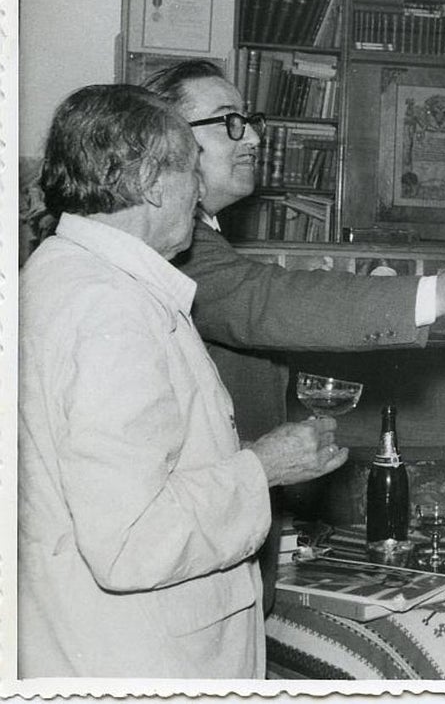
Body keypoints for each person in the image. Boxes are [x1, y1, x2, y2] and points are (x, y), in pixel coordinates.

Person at [142, 60, 445, 610]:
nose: (251, 135)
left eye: (249, 120)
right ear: (165, 144)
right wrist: (437, 294)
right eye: (228, 121)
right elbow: (262, 300)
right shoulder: (176, 249)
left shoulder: (201, 242)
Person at [18, 85, 340, 677]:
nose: (199, 193)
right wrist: (261, 468)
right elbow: (132, 541)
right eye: (192, 171)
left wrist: (237, 459)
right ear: (150, 182)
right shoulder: (108, 309)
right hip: (140, 659)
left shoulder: (68, 276)